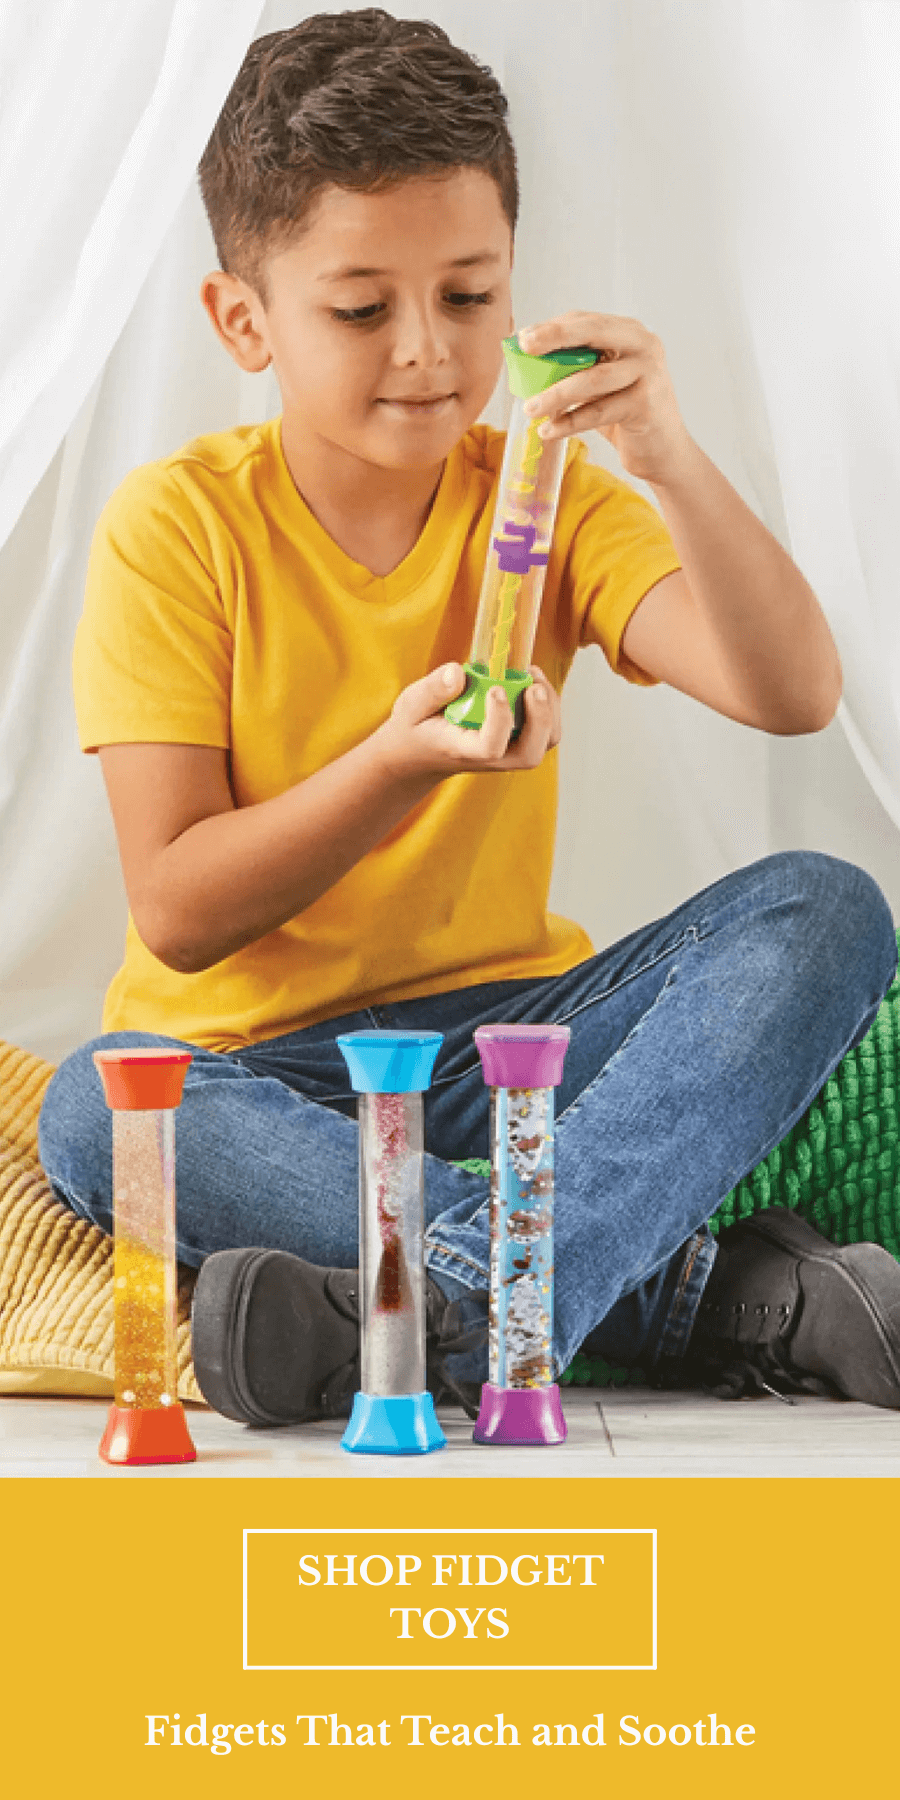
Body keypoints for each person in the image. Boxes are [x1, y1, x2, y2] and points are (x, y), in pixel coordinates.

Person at [38, 9, 900, 1427]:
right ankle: (697, 1297)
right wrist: (392, 766)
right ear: (243, 320)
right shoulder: (177, 527)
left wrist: (667, 454)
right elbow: (180, 908)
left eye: (470, 295)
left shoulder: (547, 500)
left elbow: (791, 690)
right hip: (265, 1070)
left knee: (828, 908)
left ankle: (432, 1301)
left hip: (515, 1051)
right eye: (363, 309)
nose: (429, 353)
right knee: (96, 1113)